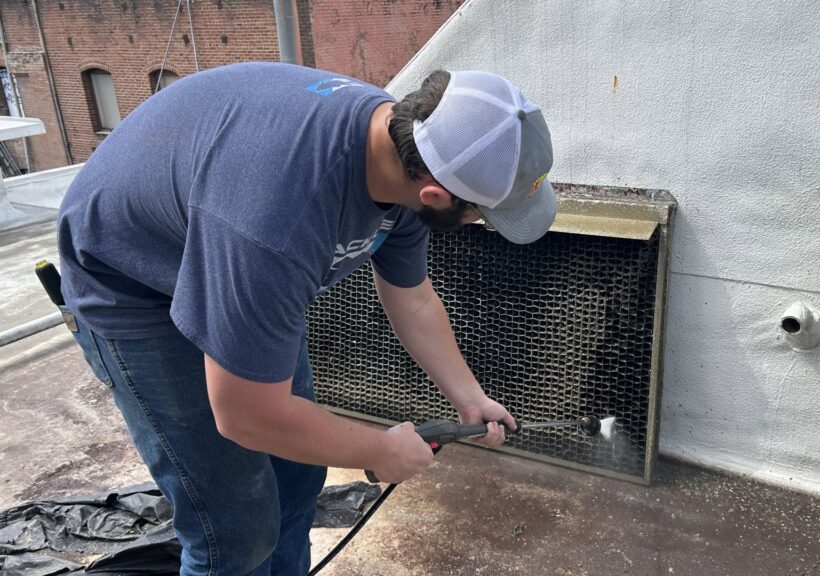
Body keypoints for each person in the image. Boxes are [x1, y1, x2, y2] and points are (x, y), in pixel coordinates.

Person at [56, 62, 556, 575]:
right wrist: (379, 449)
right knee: (235, 528)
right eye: (480, 215)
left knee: (297, 478)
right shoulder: (278, 220)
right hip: (133, 284)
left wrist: (468, 397)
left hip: (229, 251)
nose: (478, 223)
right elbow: (246, 414)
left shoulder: (407, 146)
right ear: (437, 196)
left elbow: (413, 299)